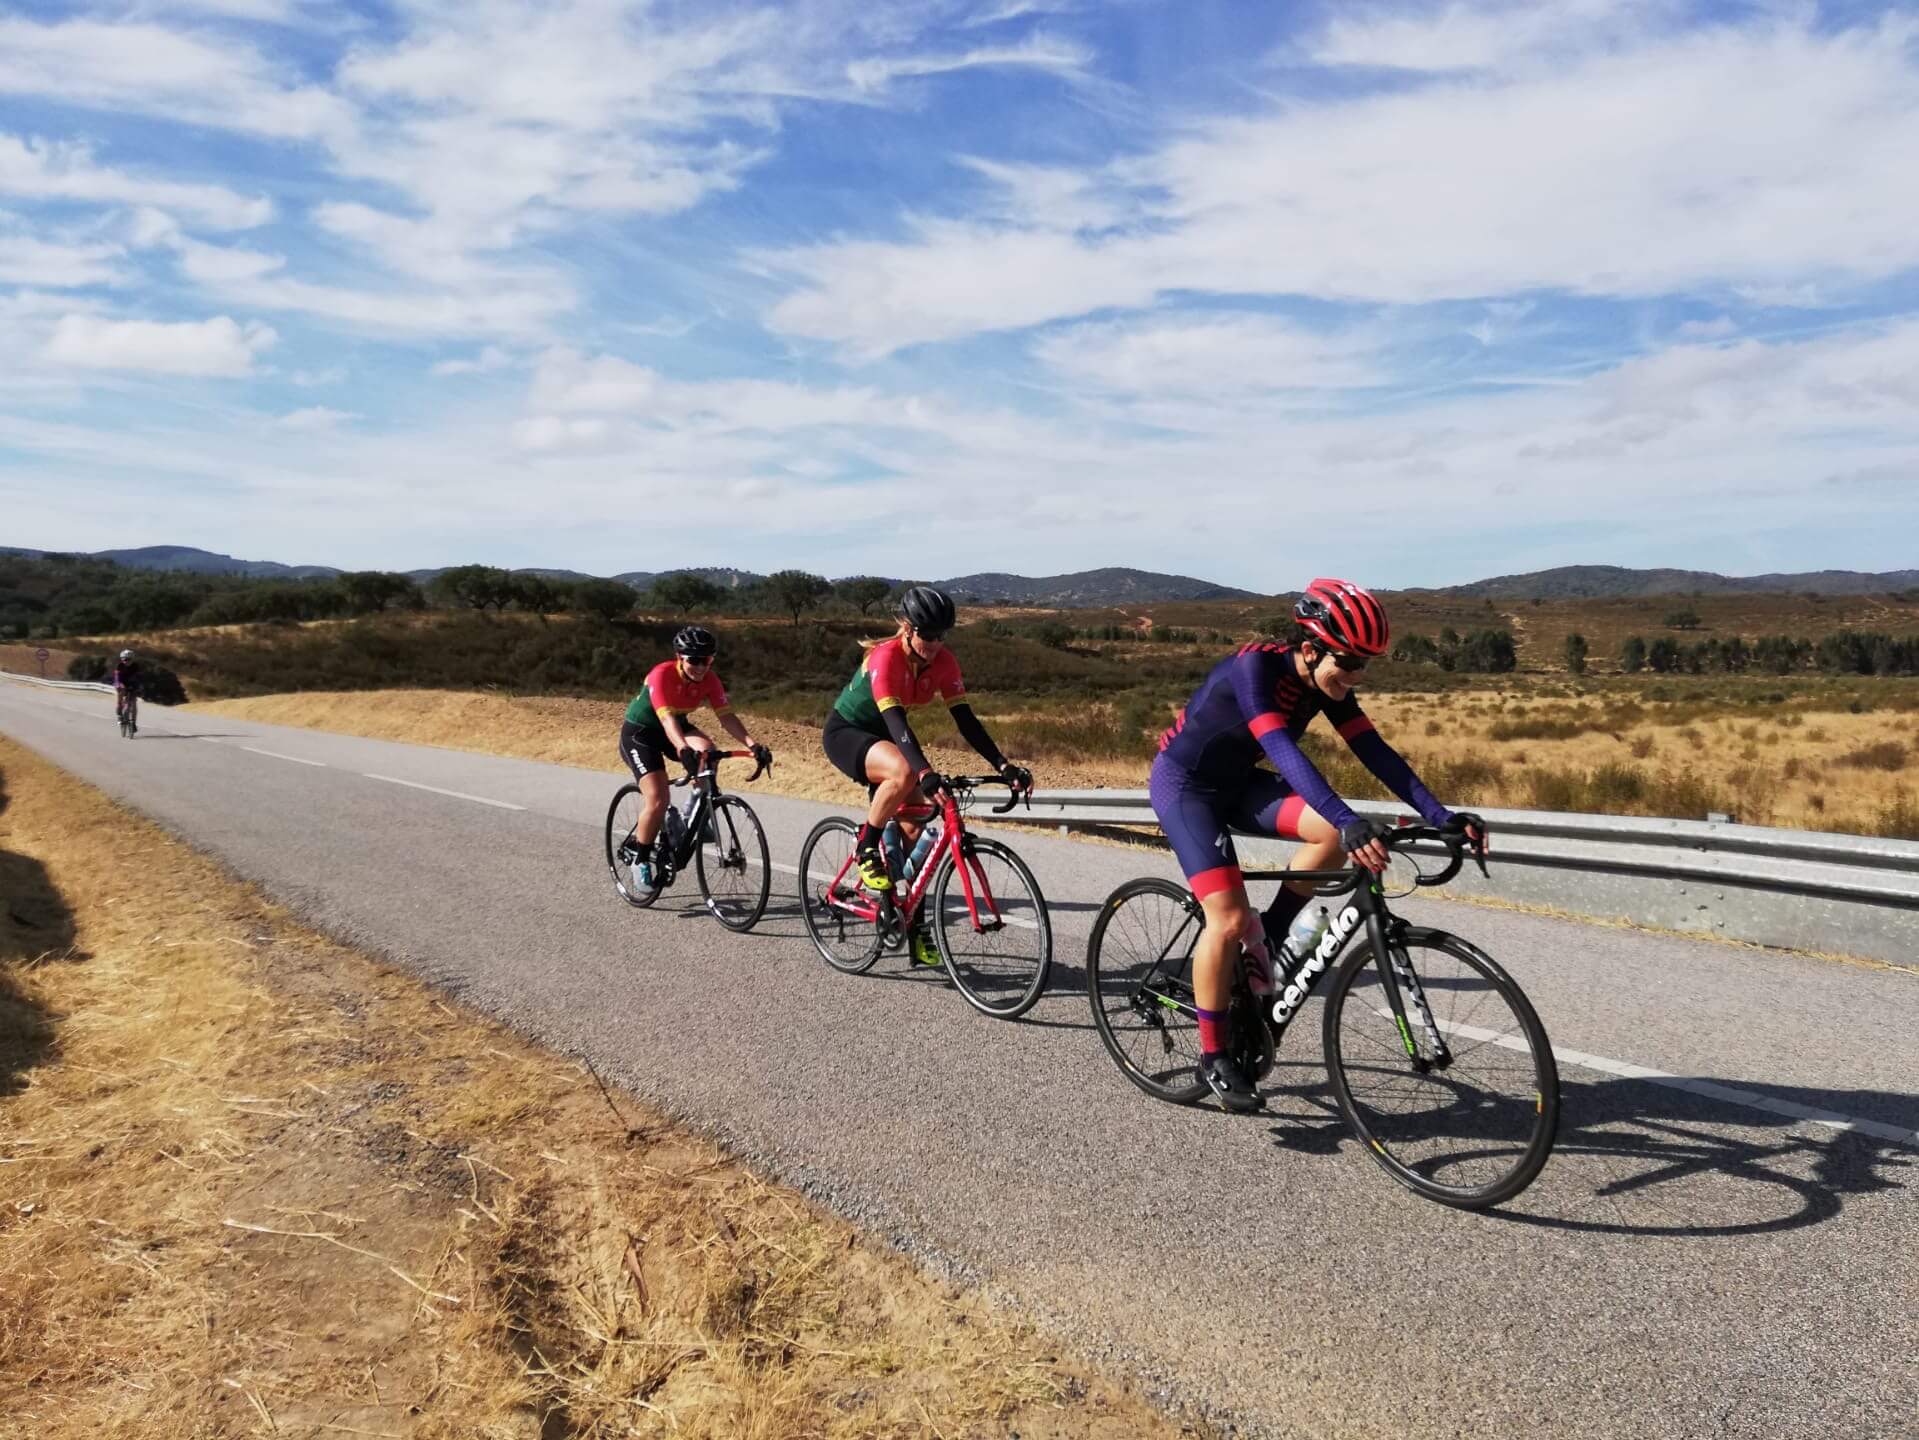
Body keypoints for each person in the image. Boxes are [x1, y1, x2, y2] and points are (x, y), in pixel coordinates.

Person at [1149, 578, 1485, 1112]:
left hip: (1237, 783)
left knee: (1327, 835)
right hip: (1185, 786)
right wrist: (1348, 817)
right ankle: (1214, 1057)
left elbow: (1375, 751)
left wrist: (1441, 815)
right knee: (1230, 919)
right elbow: (1280, 747)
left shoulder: (1328, 683)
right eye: (1349, 662)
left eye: (1365, 666)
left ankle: (1276, 933)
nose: (1355, 676)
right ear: (1310, 648)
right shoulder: (1254, 669)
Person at [822, 586, 1032, 966]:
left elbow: (965, 720)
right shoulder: (885, 659)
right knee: (904, 772)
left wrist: (1003, 765)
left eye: (941, 636)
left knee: (917, 828)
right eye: (927, 635)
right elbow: (896, 722)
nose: (935, 643)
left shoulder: (944, 661)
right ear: (906, 628)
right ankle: (866, 847)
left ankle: (912, 920)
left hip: (887, 738)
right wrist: (924, 771)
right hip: (848, 733)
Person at [619, 626, 771, 887]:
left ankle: (692, 814)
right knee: (657, 798)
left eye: (707, 660)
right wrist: (682, 749)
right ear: (680, 657)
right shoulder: (662, 675)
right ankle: (641, 859)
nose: (701, 667)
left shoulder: (710, 680)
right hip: (641, 733)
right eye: (694, 660)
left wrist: (753, 744)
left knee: (709, 754)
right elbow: (666, 720)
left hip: (676, 725)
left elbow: (726, 716)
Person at [110, 648, 141, 732]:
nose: (126, 661)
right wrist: (120, 685)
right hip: (120, 682)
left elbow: (139, 677)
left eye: (129, 659)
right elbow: (117, 678)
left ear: (132, 659)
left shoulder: (135, 666)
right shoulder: (119, 666)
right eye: (124, 659)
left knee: (134, 703)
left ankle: (133, 723)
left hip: (131, 684)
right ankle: (120, 711)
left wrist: (139, 686)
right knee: (121, 692)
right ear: (122, 659)